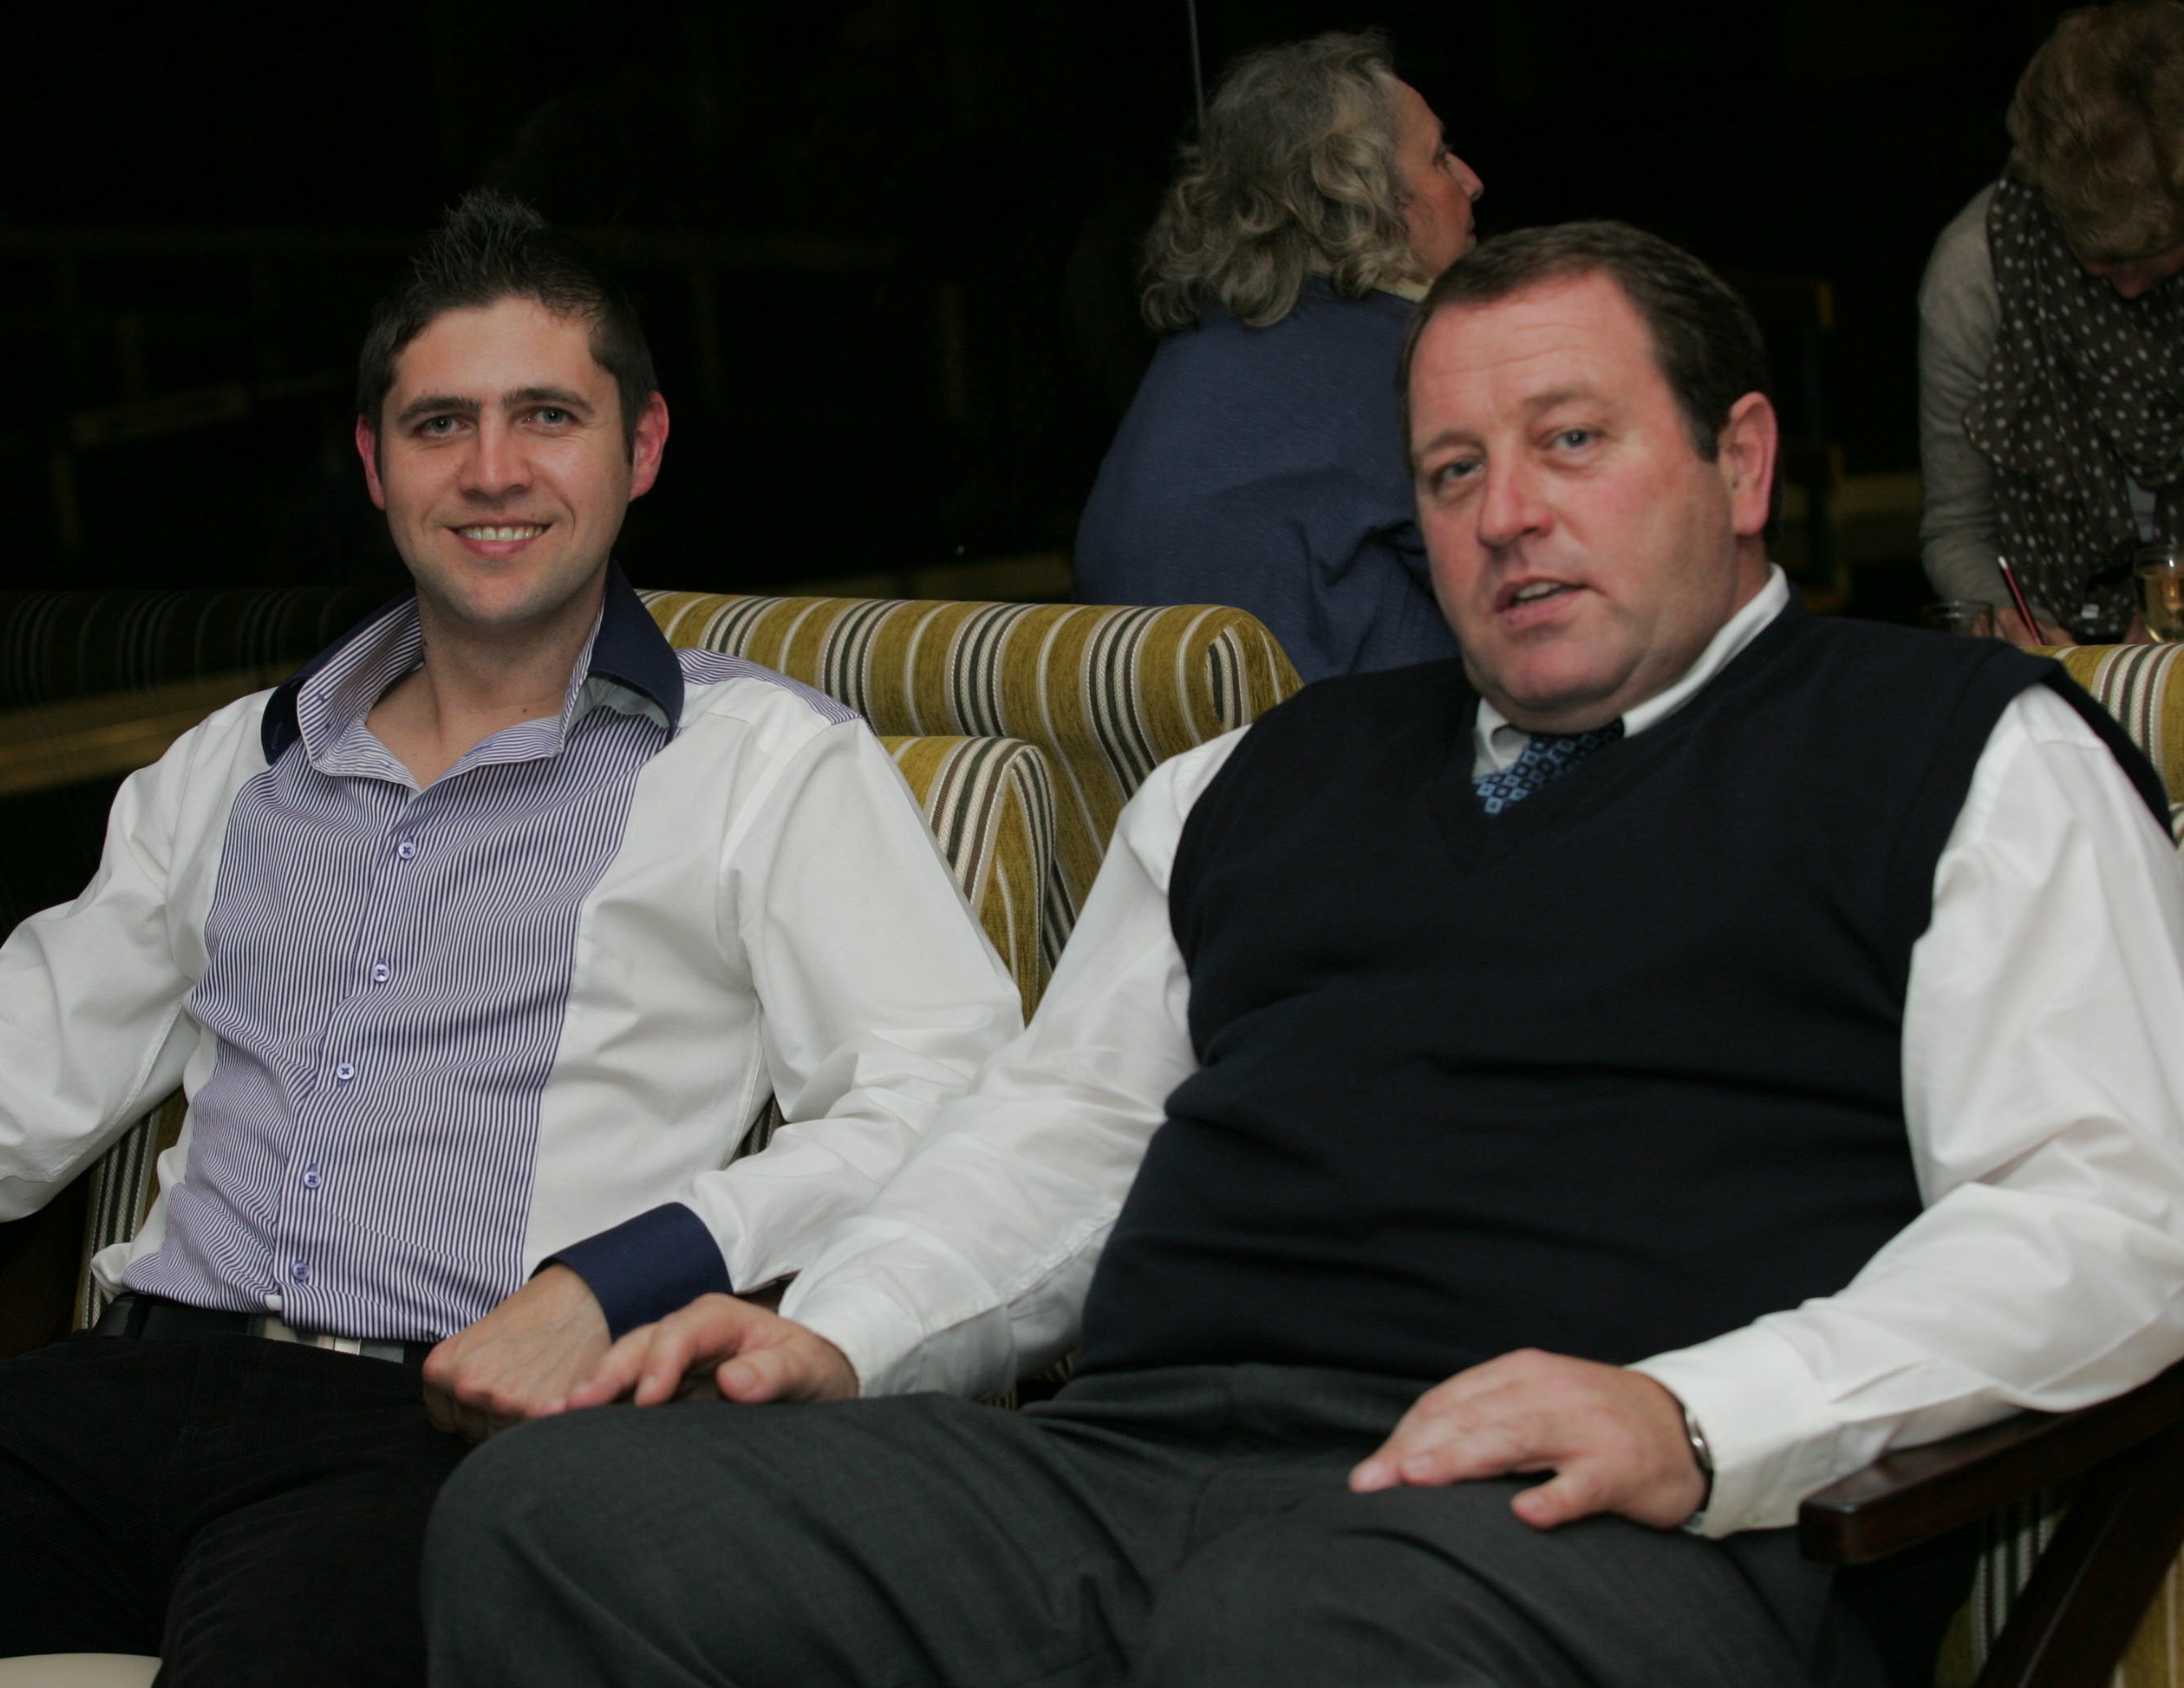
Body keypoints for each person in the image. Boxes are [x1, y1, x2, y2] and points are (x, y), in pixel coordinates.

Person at [423, 222, 2184, 1688]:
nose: (1505, 513)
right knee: (561, 1517)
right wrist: (845, 1335)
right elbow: (1062, 1138)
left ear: (1738, 460)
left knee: (1294, 1632)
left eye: (1570, 442)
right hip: (1139, 1468)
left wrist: (1698, 1414)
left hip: (1593, 1528)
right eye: (1450, 471)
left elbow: (2111, 1214)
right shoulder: (1254, 778)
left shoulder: (1955, 751)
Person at [0, 191, 1022, 1686]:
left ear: (639, 448)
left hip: (434, 1444)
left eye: (546, 416)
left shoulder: (760, 766)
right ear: (374, 466)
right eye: (440, 425)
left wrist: (612, 1281)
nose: (491, 470)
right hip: (119, 1396)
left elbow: (943, 1096)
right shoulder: (232, 769)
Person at [1071, 31, 1482, 683]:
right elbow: (1534, 588)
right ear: (1364, 197)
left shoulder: (1194, 361)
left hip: (1183, 745)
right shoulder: (1407, 360)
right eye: (1439, 157)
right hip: (1351, 740)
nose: (1471, 181)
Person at [1919, 0, 2184, 642]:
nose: (2129, 286)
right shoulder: (1975, 274)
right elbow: (1956, 531)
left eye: (2154, 255)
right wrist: (2016, 623)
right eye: (2101, 258)